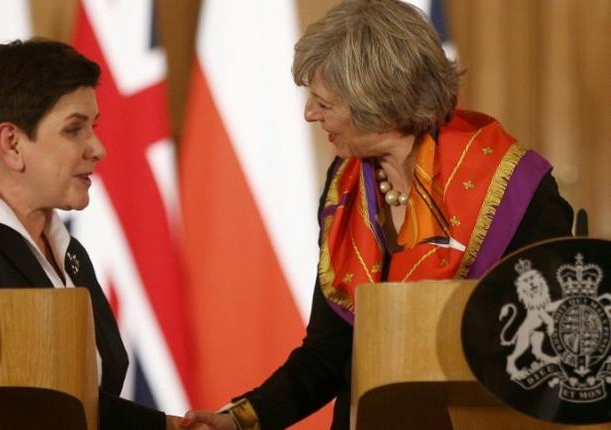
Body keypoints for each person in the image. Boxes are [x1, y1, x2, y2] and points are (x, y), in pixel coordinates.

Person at [180, 0, 573, 429]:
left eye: (323, 102)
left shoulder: (514, 188)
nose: (310, 114)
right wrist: (241, 419)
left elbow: (549, 355)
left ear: (380, 101)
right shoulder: (345, 187)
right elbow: (328, 355)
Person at [0, 39, 182, 429]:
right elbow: (1, 394)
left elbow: (87, 400)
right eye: (74, 129)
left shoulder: (69, 250)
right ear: (12, 144)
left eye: (92, 127)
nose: (97, 148)